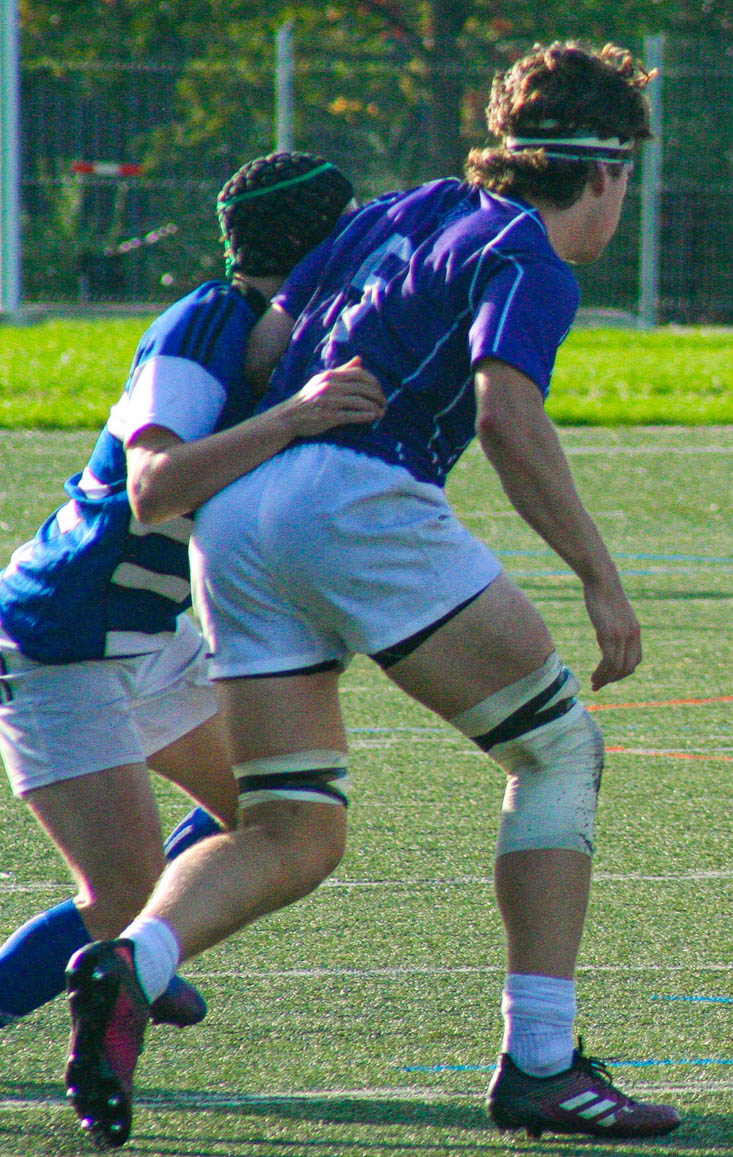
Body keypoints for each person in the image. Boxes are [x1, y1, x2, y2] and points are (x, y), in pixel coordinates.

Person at [60, 43, 679, 1150]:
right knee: (559, 751)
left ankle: (133, 957)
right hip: (354, 499)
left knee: (292, 824)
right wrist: (599, 576)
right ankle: (541, 1058)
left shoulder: (407, 206)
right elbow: (504, 414)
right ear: (604, 172)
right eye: (626, 178)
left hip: (238, 521)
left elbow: (265, 342)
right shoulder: (529, 253)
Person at [0, 152, 374, 1033]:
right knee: (121, 894)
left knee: (284, 811)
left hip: (151, 634)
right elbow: (155, 485)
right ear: (322, 243)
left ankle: (146, 949)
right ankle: (132, 945)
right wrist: (296, 417)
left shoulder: (291, 338)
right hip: (64, 636)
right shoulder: (205, 323)